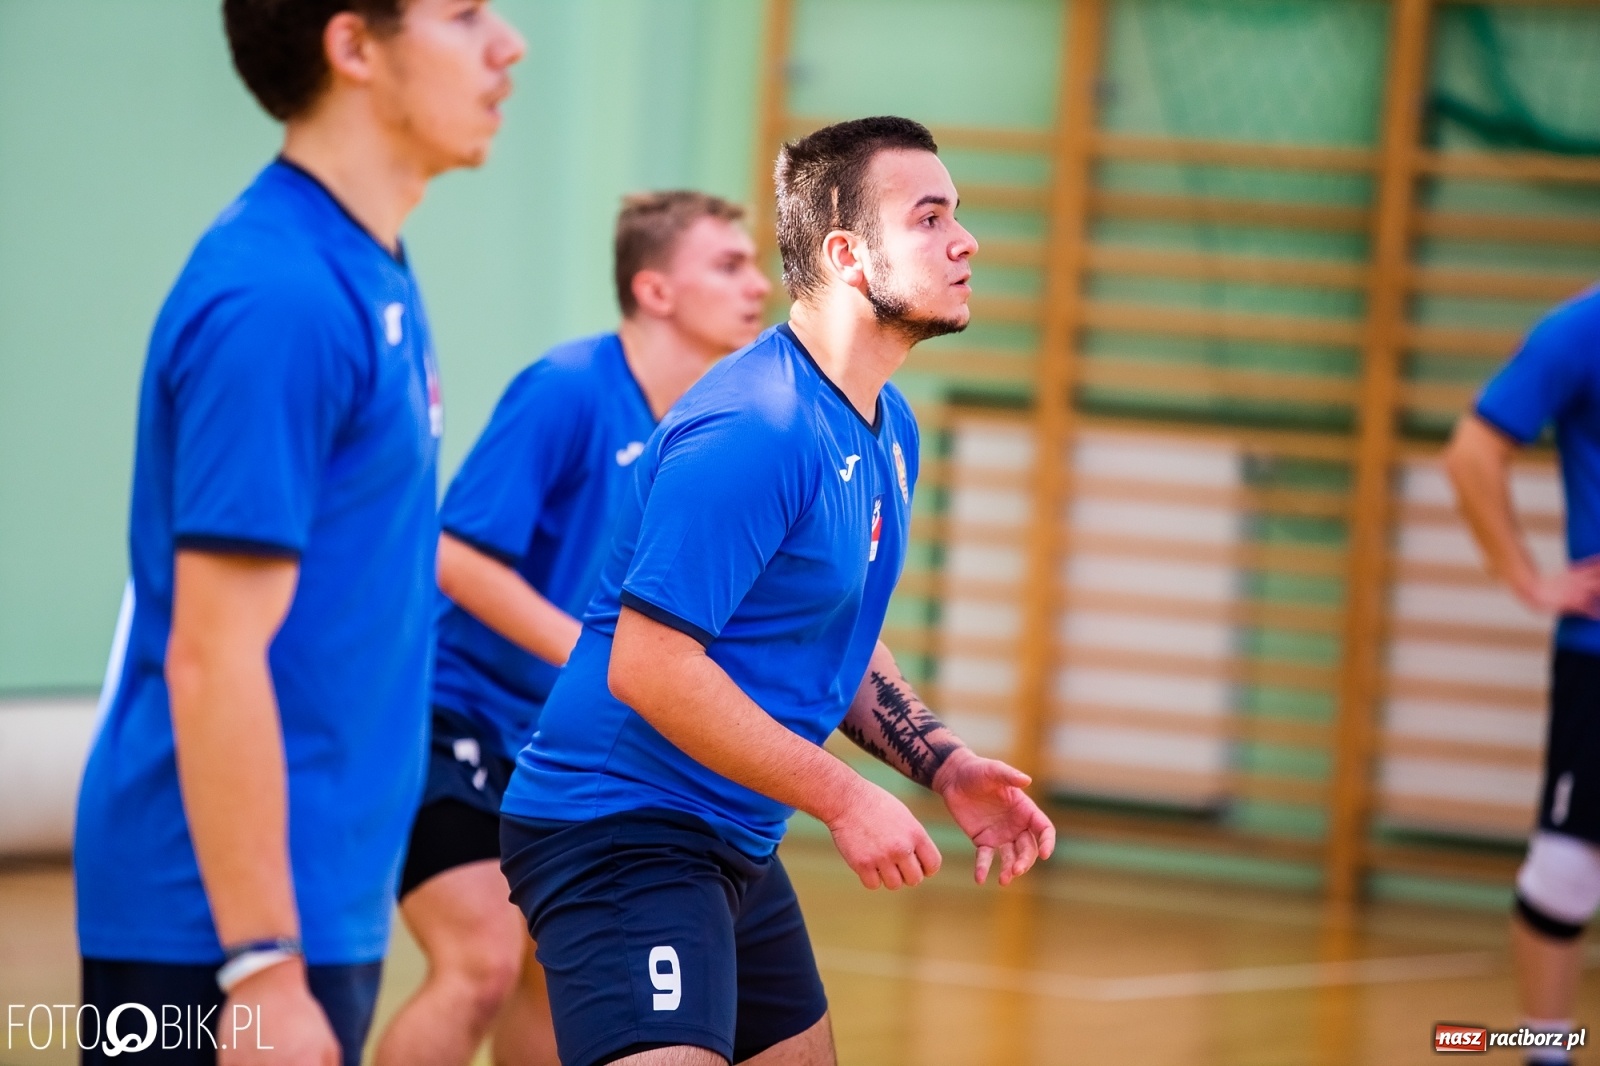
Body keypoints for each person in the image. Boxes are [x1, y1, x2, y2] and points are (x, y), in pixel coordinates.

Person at [498, 115, 1058, 1066]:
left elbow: (829, 647)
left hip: (730, 830)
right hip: (620, 827)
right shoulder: (756, 426)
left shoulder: (889, 429)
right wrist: (845, 799)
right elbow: (650, 665)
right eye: (927, 219)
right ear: (846, 254)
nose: (965, 242)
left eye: (956, 216)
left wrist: (947, 765)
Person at [72, 2, 524, 1063]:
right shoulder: (279, 296)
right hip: (212, 924)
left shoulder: (368, 268)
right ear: (354, 46)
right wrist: (262, 967)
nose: (509, 43)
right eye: (463, 16)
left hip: (317, 888)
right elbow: (212, 653)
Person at [374, 191, 771, 1066]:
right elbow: (456, 557)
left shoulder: (714, 423)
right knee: (478, 964)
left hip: (568, 749)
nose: (761, 285)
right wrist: (601, 659)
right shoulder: (567, 389)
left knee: (559, 976)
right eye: (730, 265)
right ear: (655, 290)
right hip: (458, 720)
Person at [1446, 288, 1600, 1066]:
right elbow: (1473, 451)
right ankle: (1546, 1054)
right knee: (1566, 873)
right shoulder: (1583, 329)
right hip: (1598, 658)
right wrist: (1527, 577)